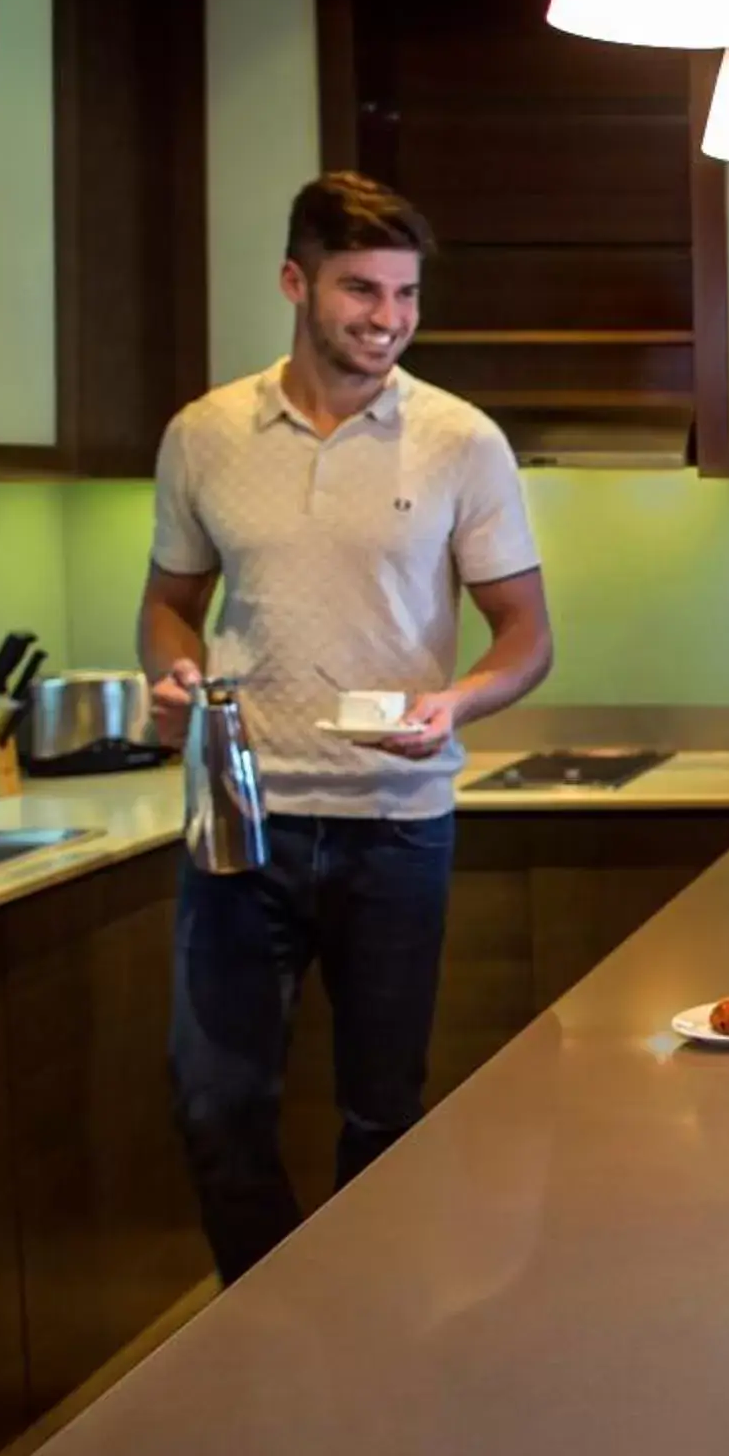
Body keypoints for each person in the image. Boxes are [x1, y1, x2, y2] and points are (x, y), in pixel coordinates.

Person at [141, 172, 554, 1282]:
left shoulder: (461, 441)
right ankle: (274, 1322)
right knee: (215, 1106)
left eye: (407, 295)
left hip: (395, 825)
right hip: (241, 821)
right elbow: (168, 602)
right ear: (295, 281)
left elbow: (525, 637)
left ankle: (367, 1340)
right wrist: (173, 670)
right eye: (361, 289)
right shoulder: (204, 434)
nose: (387, 318)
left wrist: (456, 701)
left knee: (383, 1116)